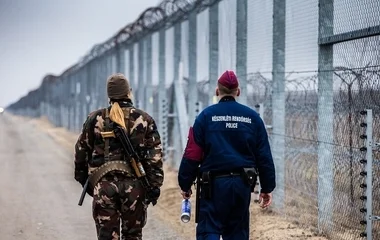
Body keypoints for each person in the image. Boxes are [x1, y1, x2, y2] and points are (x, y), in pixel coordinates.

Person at [177, 70, 276, 240]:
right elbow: (264, 156)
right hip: (242, 185)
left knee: (209, 229)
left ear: (217, 91)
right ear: (238, 91)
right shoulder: (253, 118)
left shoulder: (205, 117)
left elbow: (192, 154)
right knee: (237, 232)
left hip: (212, 186)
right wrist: (267, 188)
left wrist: (185, 184)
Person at [74, 73, 164, 240]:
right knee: (133, 236)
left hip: (104, 187)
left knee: (107, 237)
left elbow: (81, 152)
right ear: (129, 92)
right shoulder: (144, 119)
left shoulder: (95, 118)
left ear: (109, 95)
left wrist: (85, 181)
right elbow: (155, 157)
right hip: (135, 187)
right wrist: (154, 186)